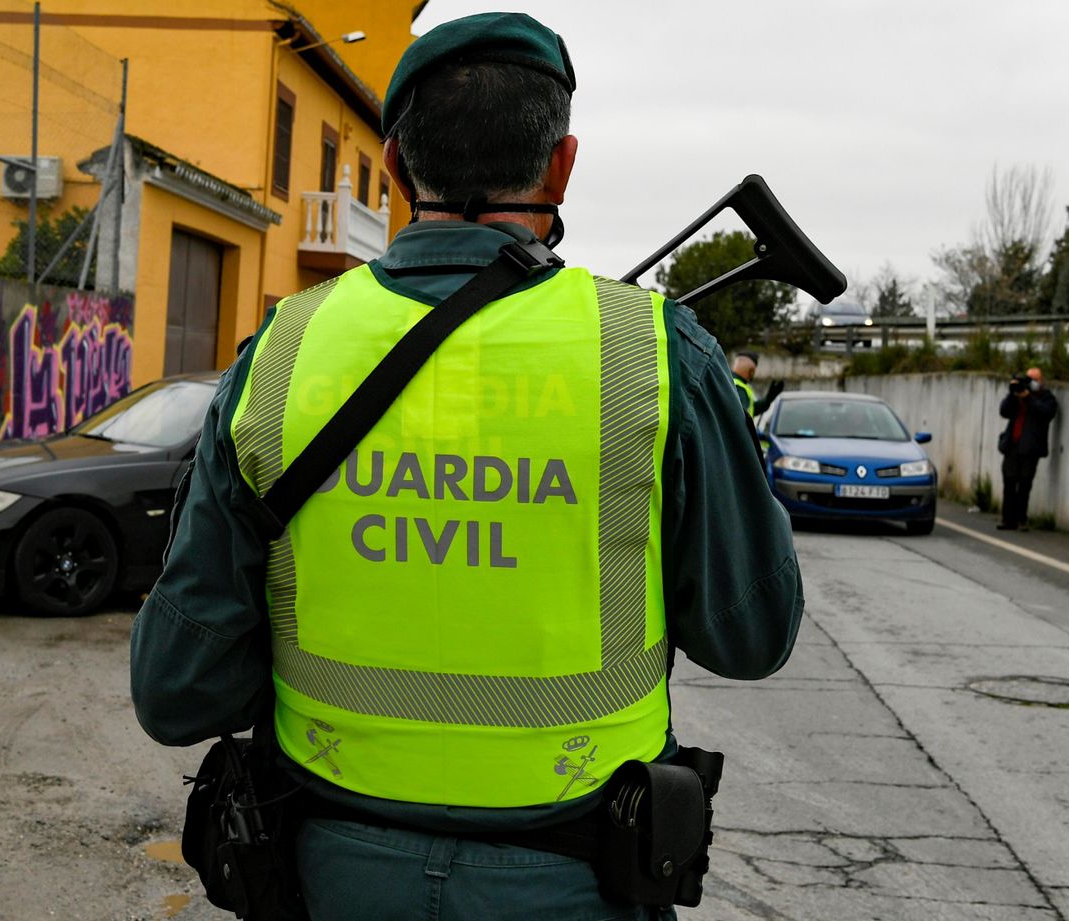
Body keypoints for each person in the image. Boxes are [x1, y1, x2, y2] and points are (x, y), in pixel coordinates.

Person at [130, 13, 803, 920]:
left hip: (330, 867)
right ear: (561, 166)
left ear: (400, 169)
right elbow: (751, 636)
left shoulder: (284, 352)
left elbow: (177, 690)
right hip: (578, 873)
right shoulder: (651, 354)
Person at [997, 366, 1059, 531]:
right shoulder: (1017, 396)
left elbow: (1046, 413)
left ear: (1041, 381)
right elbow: (1004, 411)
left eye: (1035, 379)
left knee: (1025, 485)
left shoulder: (1047, 398)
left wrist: (1028, 397)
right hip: (1012, 445)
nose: (1031, 382)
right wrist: (1013, 393)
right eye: (1029, 379)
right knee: (1009, 483)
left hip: (1031, 449)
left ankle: (1021, 519)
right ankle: (1007, 520)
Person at [731, 351, 784, 416]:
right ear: (751, 371)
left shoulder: (733, 383)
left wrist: (768, 400)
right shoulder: (739, 388)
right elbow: (741, 417)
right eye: (754, 371)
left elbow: (752, 409)